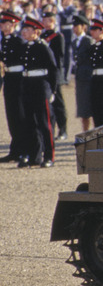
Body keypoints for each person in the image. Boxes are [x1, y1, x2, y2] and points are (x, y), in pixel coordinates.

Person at [18, 17, 58, 168]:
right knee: (29, 123)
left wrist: (52, 90)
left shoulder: (43, 47)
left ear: (36, 32)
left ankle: (49, 156)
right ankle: (34, 155)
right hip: (27, 85)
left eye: (27, 30)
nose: (24, 32)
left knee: (44, 122)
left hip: (41, 86)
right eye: (24, 29)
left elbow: (53, 70)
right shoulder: (24, 47)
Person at [0, 11, 26, 164]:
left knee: (21, 115)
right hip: (9, 77)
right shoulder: (5, 41)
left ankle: (23, 149)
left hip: (19, 79)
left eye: (5, 23)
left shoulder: (19, 41)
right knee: (11, 116)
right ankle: (15, 150)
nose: (2, 26)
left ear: (13, 24)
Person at [40, 11, 68, 140]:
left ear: (53, 21)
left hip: (54, 73)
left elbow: (59, 57)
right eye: (44, 20)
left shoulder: (58, 37)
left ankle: (62, 129)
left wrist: (57, 74)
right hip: (43, 73)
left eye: (48, 21)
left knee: (58, 103)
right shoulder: (41, 36)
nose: (45, 23)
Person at [71, 14, 94, 131]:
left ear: (84, 27)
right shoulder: (75, 42)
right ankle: (86, 133)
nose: (74, 28)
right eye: (73, 26)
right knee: (83, 110)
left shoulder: (88, 41)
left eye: (77, 26)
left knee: (91, 108)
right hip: (80, 78)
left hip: (89, 79)